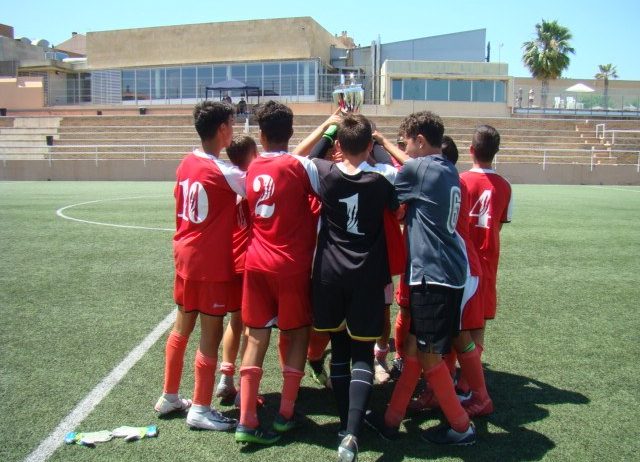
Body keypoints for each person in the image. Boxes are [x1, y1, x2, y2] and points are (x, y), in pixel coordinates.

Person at [367, 111, 476, 446]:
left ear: (420, 140)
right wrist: (387, 143)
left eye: (408, 143)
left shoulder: (420, 168)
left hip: (434, 275)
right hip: (448, 272)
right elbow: (409, 165)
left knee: (428, 355)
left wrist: (379, 144)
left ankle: (461, 426)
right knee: (414, 349)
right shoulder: (446, 168)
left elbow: (385, 184)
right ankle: (390, 420)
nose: (406, 149)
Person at [310, 114, 398, 461]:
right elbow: (397, 172)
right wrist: (378, 145)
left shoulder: (323, 171)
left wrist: (331, 128)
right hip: (366, 275)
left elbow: (308, 157)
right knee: (362, 353)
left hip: (330, 273)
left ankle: (343, 424)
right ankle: (352, 432)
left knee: (340, 349)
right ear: (369, 145)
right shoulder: (384, 177)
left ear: (339, 146)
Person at [235, 101, 322, 445]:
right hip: (291, 265)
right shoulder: (301, 166)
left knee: (256, 336)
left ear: (260, 134)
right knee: (298, 334)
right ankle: (286, 414)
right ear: (290, 131)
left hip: (256, 262)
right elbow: (330, 189)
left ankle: (246, 420)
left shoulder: (252, 168)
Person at [155, 101, 242, 432]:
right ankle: (202, 408)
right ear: (222, 129)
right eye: (232, 124)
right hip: (209, 263)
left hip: (184, 256)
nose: (233, 130)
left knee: (182, 327)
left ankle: (170, 395)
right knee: (211, 333)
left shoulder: (187, 163)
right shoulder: (224, 172)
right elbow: (260, 183)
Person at [459, 125, 513, 404]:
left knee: (458, 319)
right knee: (480, 318)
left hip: (460, 259)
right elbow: (500, 225)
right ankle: (469, 376)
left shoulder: (460, 180)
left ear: (471, 149)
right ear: (496, 152)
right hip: (488, 258)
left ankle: (455, 374)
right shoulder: (505, 185)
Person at [214, 135, 259, 405]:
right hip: (248, 261)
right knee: (251, 326)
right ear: (252, 154)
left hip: (230, 259)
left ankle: (225, 377)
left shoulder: (227, 182)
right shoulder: (253, 183)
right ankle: (244, 388)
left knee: (235, 320)